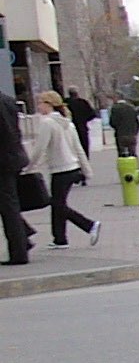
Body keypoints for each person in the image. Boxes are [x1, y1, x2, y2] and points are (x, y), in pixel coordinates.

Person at [28, 90, 100, 247]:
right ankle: (59, 239)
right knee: (58, 204)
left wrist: (30, 167)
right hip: (72, 168)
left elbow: (40, 149)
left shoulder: (47, 123)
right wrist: (87, 170)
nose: (38, 106)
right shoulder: (67, 123)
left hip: (60, 169)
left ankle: (89, 225)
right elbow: (78, 148)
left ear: (49, 104)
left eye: (40, 102)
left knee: (58, 205)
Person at [0, 90, 30, 265]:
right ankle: (23, 238)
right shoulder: (9, 101)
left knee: (9, 207)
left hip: (3, 162)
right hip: (14, 158)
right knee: (9, 204)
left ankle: (19, 251)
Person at [108, 95, 139, 174]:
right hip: (132, 135)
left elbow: (112, 122)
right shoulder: (131, 108)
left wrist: (117, 128)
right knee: (133, 153)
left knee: (122, 154)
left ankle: (125, 173)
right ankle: (137, 171)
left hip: (120, 135)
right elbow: (137, 122)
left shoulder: (115, 108)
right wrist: (135, 132)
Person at [64, 88, 95, 157]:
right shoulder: (83, 102)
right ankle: (85, 159)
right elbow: (93, 114)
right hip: (82, 127)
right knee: (84, 147)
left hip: (70, 128)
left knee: (72, 147)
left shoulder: (66, 103)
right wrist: (85, 120)